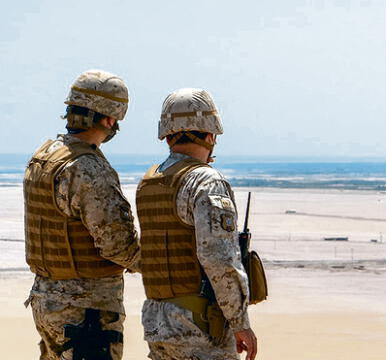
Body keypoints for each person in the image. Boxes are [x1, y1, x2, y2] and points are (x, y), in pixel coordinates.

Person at [23, 69, 140, 359]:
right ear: (110, 119)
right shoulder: (88, 168)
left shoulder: (43, 157)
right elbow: (118, 245)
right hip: (85, 310)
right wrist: (161, 264)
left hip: (46, 299)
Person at [137, 88, 257, 360]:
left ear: (167, 134)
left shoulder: (149, 182)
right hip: (199, 323)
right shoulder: (205, 182)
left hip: (157, 321)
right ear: (211, 133)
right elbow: (218, 259)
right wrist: (240, 322)